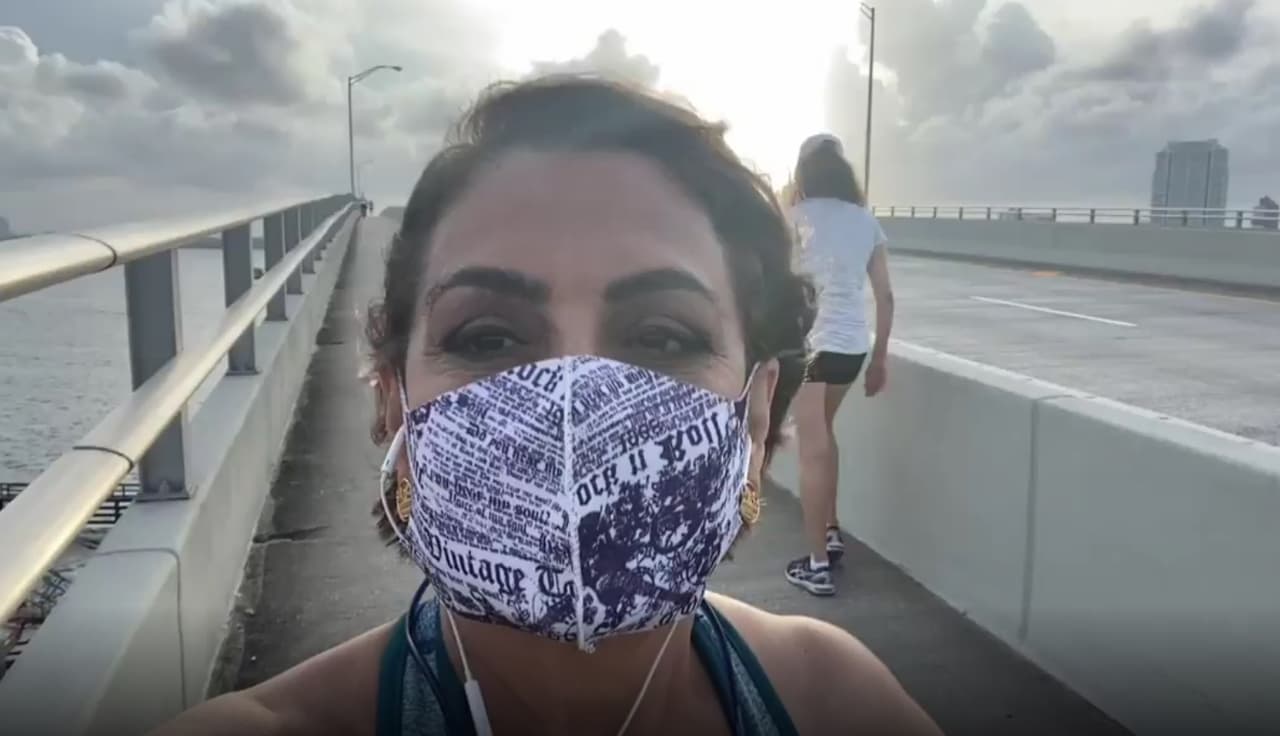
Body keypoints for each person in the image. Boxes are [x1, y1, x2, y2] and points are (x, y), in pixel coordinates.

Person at [150, 77, 936, 736]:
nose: (574, 399)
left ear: (756, 413)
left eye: (662, 336)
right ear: (393, 401)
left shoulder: (838, 703)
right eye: (489, 337)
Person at [783, 134, 895, 597]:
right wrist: (880, 358)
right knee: (825, 433)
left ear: (803, 172)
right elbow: (886, 296)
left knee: (811, 447)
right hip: (850, 347)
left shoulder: (792, 218)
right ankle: (830, 530)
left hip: (810, 345)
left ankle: (816, 565)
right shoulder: (865, 221)